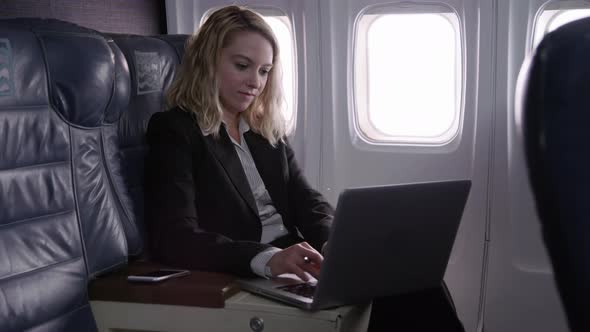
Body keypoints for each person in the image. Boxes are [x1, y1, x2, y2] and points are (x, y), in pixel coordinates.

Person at [145, 5, 464, 331]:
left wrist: (332, 243)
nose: (255, 82)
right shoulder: (175, 130)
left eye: (265, 71)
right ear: (207, 62)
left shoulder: (262, 129)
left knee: (415, 278)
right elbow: (175, 236)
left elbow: (306, 201)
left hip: (293, 259)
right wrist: (267, 259)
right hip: (243, 269)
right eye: (243, 66)